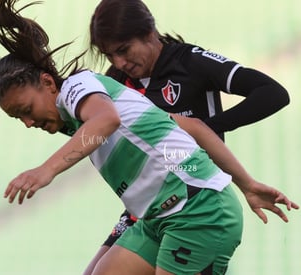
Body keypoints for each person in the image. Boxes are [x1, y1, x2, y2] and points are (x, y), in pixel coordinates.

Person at [0, 1, 299, 273]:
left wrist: (46, 170)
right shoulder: (85, 101)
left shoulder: (86, 90)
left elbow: (105, 121)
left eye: (26, 111)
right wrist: (248, 184)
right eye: (19, 116)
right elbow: (192, 128)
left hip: (197, 210)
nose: (28, 122)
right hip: (157, 213)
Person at [84, 0, 299, 273]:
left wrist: (203, 129)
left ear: (149, 32)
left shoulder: (191, 62)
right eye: (109, 55)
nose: (119, 62)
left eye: (123, 50)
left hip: (193, 200)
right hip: (147, 207)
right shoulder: (116, 81)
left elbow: (272, 93)